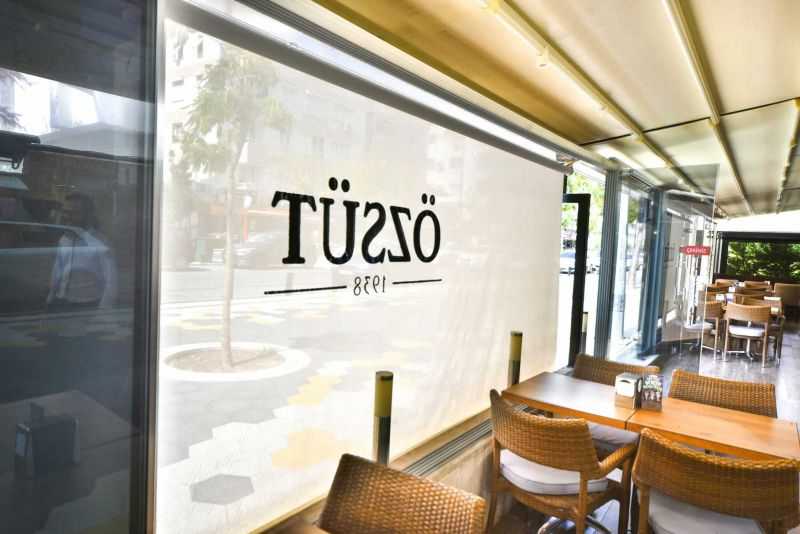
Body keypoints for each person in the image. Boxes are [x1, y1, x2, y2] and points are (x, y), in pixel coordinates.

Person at [47, 192, 117, 312]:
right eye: (65, 212)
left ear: (88, 215)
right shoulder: (64, 239)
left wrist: (103, 311)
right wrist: (50, 296)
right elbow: (57, 270)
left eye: (74, 213)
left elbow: (111, 281)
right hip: (60, 302)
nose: (67, 216)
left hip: (87, 306)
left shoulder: (101, 242)